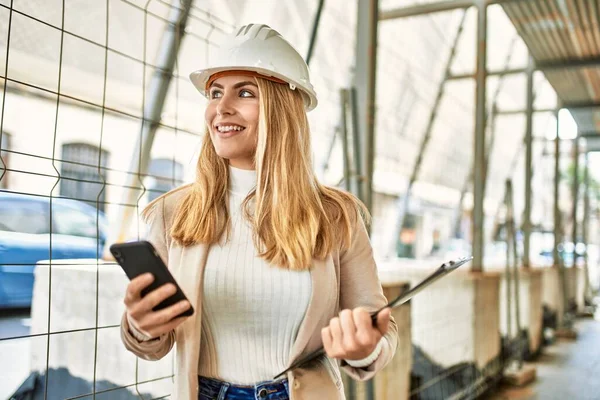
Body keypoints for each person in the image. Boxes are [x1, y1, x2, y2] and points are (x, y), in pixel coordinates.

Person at [120, 23, 397, 400]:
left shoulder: (336, 215)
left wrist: (366, 348)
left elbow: (381, 325)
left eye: (244, 93)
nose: (221, 108)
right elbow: (152, 346)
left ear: (283, 109)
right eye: (215, 92)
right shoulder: (172, 213)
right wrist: (142, 326)